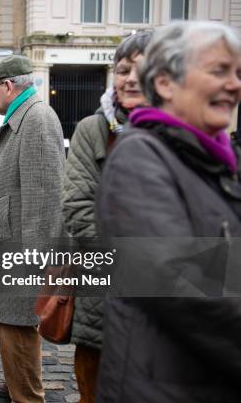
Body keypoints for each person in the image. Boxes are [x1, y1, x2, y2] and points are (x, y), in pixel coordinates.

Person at [96, 21, 241, 402]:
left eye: (238, 73)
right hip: (162, 385)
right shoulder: (139, 156)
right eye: (218, 71)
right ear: (164, 84)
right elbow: (176, 279)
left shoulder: (214, 160)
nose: (234, 84)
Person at [61, 31, 152, 403]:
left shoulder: (190, 132)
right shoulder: (93, 130)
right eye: (122, 69)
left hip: (169, 304)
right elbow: (78, 209)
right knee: (95, 391)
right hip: (104, 296)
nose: (129, 78)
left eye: (141, 70)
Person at [0, 55, 65, 403]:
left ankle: (26, 394)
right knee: (13, 324)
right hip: (10, 243)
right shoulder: (23, 117)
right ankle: (17, 382)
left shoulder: (37, 119)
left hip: (21, 251)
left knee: (18, 325)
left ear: (8, 86)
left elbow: (45, 197)